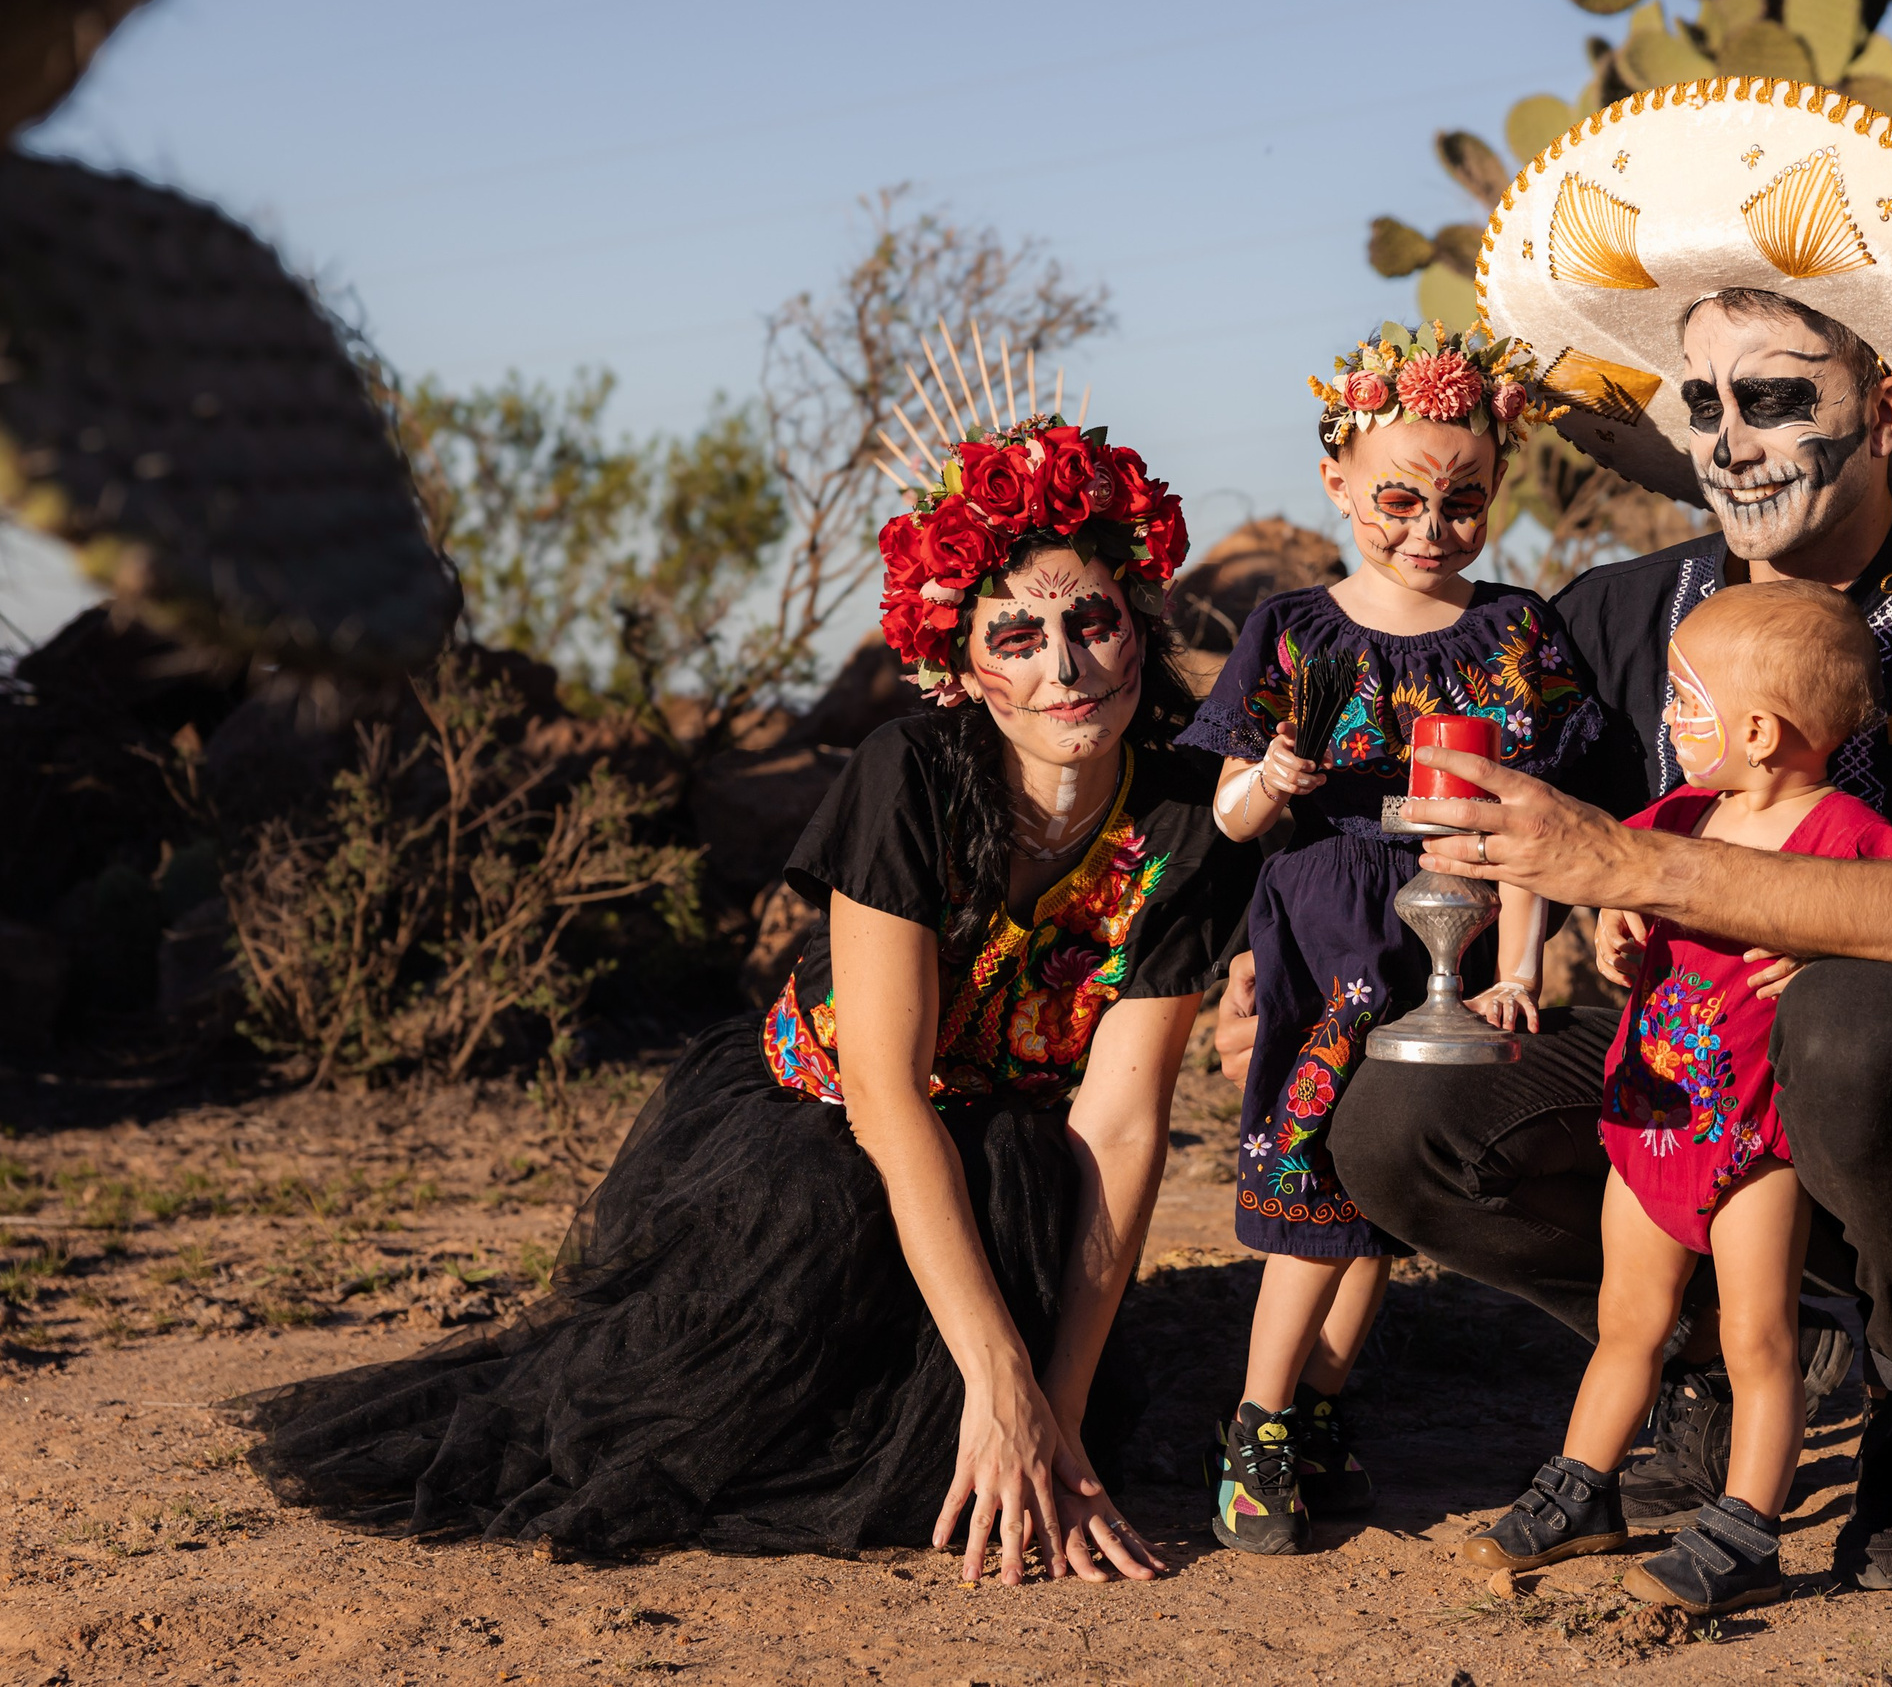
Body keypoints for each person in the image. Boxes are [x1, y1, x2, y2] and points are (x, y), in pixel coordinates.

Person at [1322, 78, 1892, 1591]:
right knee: (1401, 1119)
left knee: (1849, 1015)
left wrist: (1633, 865)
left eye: (1775, 397)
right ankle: (1716, 1355)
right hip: (1702, 1081)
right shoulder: (1621, 614)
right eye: (1700, 402)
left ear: (1882, 410)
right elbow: (1447, 746)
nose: (1729, 439)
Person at [235, 379, 1254, 1586]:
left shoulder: (1189, 812)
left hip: (1009, 1143)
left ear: (1137, 617)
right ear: (965, 667)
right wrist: (995, 1376)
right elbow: (882, 1093)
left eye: (1091, 622)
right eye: (1015, 638)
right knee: (794, 1290)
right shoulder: (907, 774)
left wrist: (1057, 1406)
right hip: (817, 1130)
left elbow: (1123, 1118)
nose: (1064, 668)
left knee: (1007, 1314)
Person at [1174, 320, 1599, 1554]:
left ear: (1496, 492)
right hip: (1325, 921)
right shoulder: (1291, 630)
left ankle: (1313, 1413)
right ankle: (1254, 1426)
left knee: (1381, 1197)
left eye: (1463, 500)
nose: (1430, 526)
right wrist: (1277, 778)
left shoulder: (1518, 631)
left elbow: (1542, 824)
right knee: (1312, 1183)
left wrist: (1521, 968)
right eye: (1399, 496)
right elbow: (1226, 810)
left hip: (1459, 924)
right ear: (1339, 483)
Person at [1460, 581, 1892, 1611]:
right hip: (1646, 1118)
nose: (1666, 718)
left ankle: (1749, 1525)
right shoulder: (1674, 818)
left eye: (1682, 698)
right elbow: (1614, 882)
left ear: (1756, 729)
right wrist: (1605, 927)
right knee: (1629, 1318)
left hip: (1751, 1141)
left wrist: (1831, 951)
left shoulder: (1843, 837)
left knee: (1757, 1338)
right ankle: (1585, 1489)